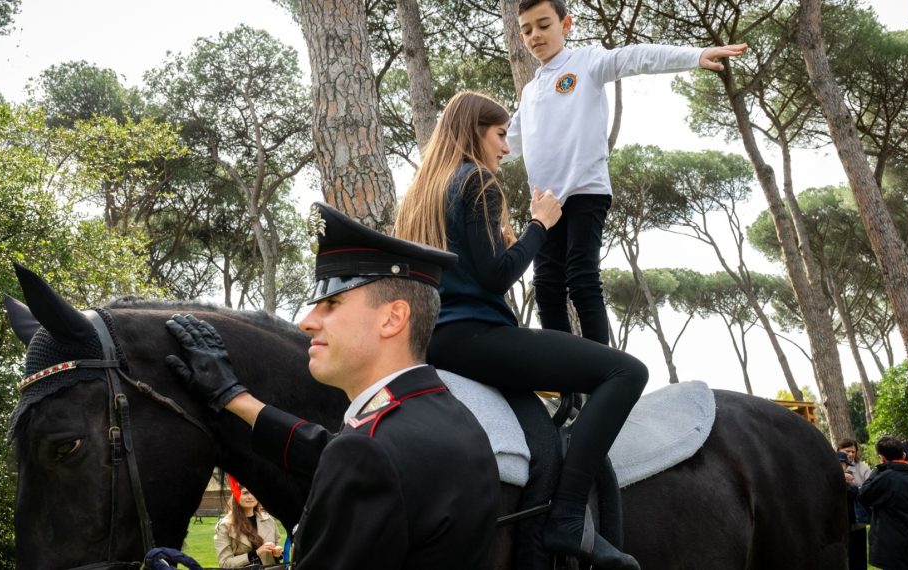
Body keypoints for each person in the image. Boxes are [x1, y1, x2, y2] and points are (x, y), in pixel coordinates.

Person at [164, 202, 501, 570]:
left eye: (332, 303)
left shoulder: (369, 453)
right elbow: (331, 450)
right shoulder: (449, 417)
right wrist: (235, 398)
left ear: (393, 318)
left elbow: (355, 457)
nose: (306, 321)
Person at [394, 90, 647, 570]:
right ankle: (569, 516)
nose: (506, 148)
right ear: (476, 132)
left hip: (439, 343)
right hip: (477, 337)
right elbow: (495, 277)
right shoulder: (477, 181)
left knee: (544, 444)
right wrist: (539, 225)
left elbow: (469, 268)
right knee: (626, 373)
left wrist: (507, 243)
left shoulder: (421, 194)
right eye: (500, 134)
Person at [505, 0, 747, 345]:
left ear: (566, 25)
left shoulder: (586, 62)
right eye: (527, 30)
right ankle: (565, 386)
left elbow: (637, 57)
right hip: (545, 205)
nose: (535, 35)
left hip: (586, 191)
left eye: (544, 25)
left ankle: (601, 375)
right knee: (546, 287)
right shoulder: (530, 93)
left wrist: (695, 55)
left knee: (582, 277)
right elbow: (505, 145)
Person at [858, 436, 908, 570]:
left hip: (892, 544)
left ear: (881, 457)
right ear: (903, 454)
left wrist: (879, 468)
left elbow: (864, 494)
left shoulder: (886, 478)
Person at [215, 476, 283, 568]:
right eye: (245, 493)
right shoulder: (225, 526)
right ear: (236, 494)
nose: (250, 496)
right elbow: (225, 563)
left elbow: (277, 545)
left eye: (253, 492)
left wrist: (277, 552)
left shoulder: (268, 520)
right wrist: (255, 554)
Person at [840, 452, 867, 570]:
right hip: (841, 527)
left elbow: (857, 493)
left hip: (856, 524)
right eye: (840, 463)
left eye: (844, 464)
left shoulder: (850, 478)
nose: (843, 466)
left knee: (859, 559)